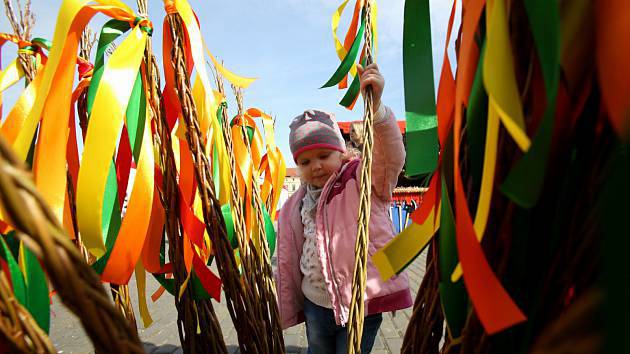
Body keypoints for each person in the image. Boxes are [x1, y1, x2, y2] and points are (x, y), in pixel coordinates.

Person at [275, 63, 412, 354]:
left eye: (324, 155)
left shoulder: (361, 179)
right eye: (305, 162)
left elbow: (390, 157)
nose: (316, 166)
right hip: (315, 304)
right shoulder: (296, 204)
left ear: (341, 152)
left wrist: (376, 111)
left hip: (361, 302)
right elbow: (288, 257)